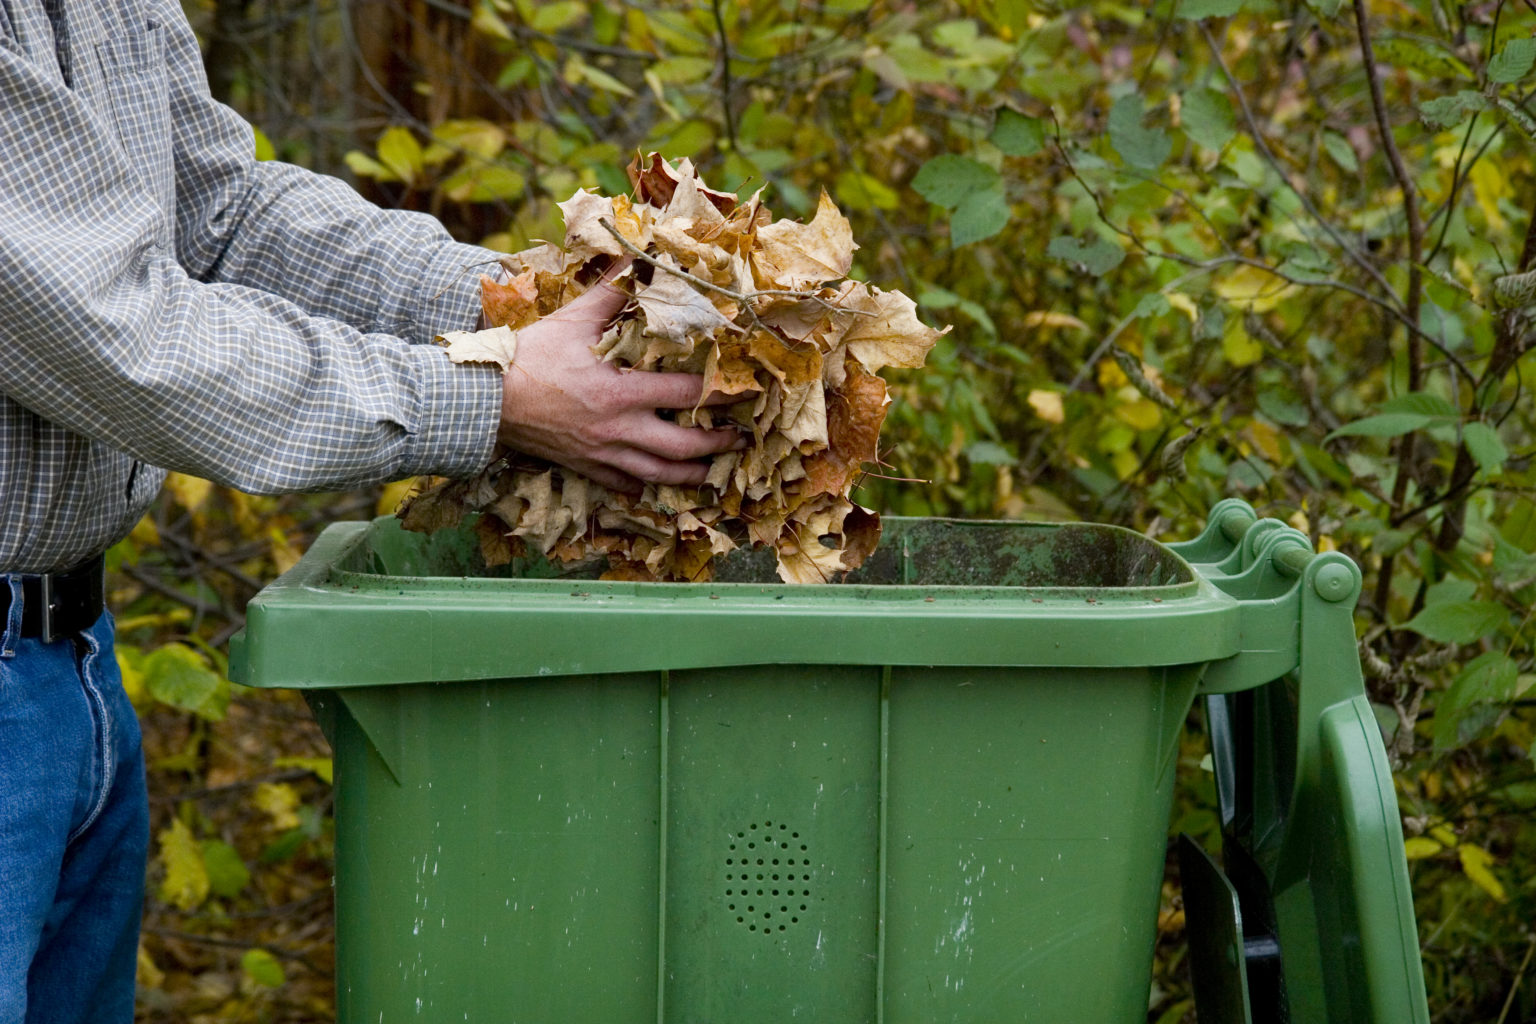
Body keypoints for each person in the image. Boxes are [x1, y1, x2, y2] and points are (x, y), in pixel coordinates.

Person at [0, 0, 740, 1017]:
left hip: (70, 662)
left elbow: (217, 222)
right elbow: (123, 333)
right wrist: (496, 394)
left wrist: (518, 302)